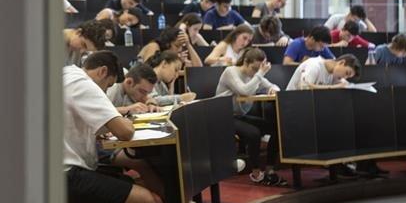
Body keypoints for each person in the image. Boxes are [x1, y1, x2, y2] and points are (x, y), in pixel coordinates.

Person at [63, 51, 193, 203]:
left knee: (122, 189)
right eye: (107, 86)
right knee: (143, 201)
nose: (105, 92)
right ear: (102, 72)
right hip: (65, 173)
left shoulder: (66, 76)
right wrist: (120, 118)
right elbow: (125, 131)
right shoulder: (82, 84)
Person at [216, 48, 284, 185]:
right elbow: (244, 90)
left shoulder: (256, 75)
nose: (256, 72)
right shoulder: (231, 72)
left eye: (259, 69)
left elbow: (274, 87)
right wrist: (260, 74)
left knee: (276, 127)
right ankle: (256, 172)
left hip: (239, 116)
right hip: (223, 116)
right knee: (254, 133)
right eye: (254, 68)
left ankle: (270, 169)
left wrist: (273, 89)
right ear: (245, 62)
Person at [137, 27, 203, 68]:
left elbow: (198, 68)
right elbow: (151, 69)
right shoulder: (154, 46)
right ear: (167, 43)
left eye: (181, 46)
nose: (179, 50)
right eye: (177, 46)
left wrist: (188, 44)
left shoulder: (173, 55)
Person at [286, 54, 361, 90]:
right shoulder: (314, 65)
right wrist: (334, 87)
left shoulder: (334, 73)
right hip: (292, 103)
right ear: (341, 62)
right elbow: (305, 88)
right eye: (346, 73)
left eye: (348, 77)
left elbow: (345, 84)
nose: (345, 77)